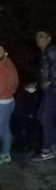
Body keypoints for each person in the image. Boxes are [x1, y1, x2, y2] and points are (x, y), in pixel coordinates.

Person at [35, 29, 56, 161]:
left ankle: (47, 150)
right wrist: (37, 85)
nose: (38, 39)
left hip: (53, 90)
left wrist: (51, 82)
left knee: (45, 118)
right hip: (48, 90)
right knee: (41, 116)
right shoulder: (45, 52)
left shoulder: (52, 50)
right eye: (37, 36)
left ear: (49, 38)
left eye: (41, 36)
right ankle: (51, 144)